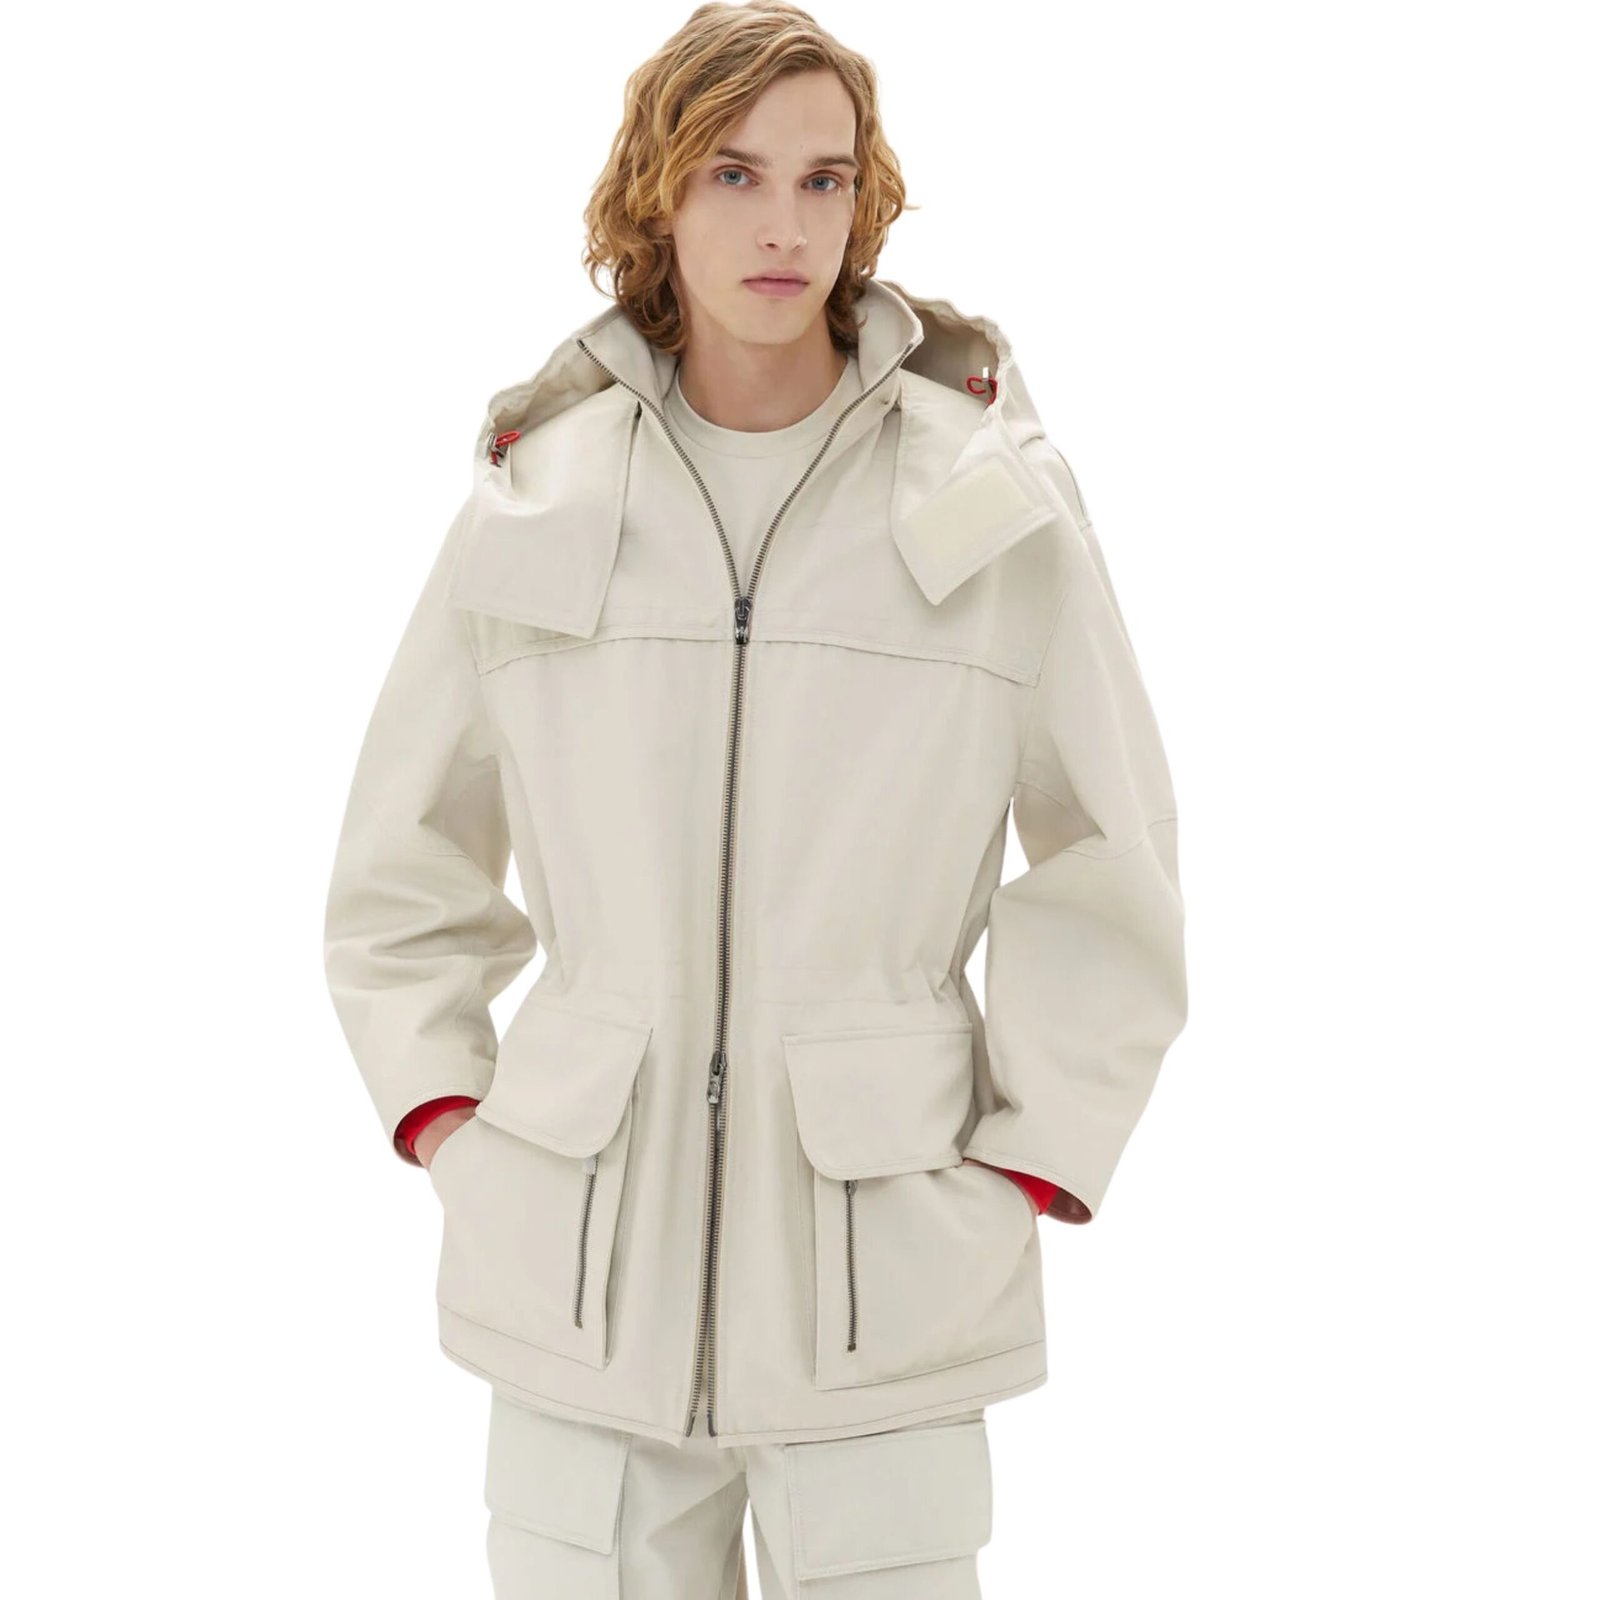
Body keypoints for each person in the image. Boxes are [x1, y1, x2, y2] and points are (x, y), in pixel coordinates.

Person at [322, 4, 1188, 1593]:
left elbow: (1109, 852)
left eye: (823, 178)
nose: (785, 224)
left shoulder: (986, 501)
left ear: (866, 201)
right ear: (656, 192)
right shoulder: (541, 495)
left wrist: (1026, 1159)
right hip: (579, 1267)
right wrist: (450, 1119)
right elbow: (404, 861)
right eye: (734, 173)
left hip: (884, 1264)